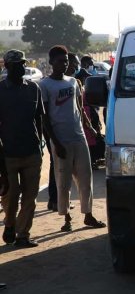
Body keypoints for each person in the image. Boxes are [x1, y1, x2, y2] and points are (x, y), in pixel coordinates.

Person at [39, 45, 106, 232]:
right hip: (60, 141)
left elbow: (79, 108)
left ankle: (88, 215)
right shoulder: (44, 85)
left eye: (66, 61)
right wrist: (55, 142)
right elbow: (45, 118)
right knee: (63, 181)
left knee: (86, 178)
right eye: (60, 61)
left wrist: (90, 127)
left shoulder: (73, 82)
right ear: (51, 62)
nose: (64, 64)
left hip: (79, 137)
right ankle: (66, 218)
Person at [0, 50, 45, 248]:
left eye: (23, 63)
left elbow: (39, 118)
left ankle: (22, 234)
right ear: (6, 66)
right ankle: (9, 224)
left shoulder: (33, 88)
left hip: (32, 151)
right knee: (10, 194)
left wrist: (42, 144)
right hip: (7, 154)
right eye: (16, 64)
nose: (21, 67)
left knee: (30, 196)